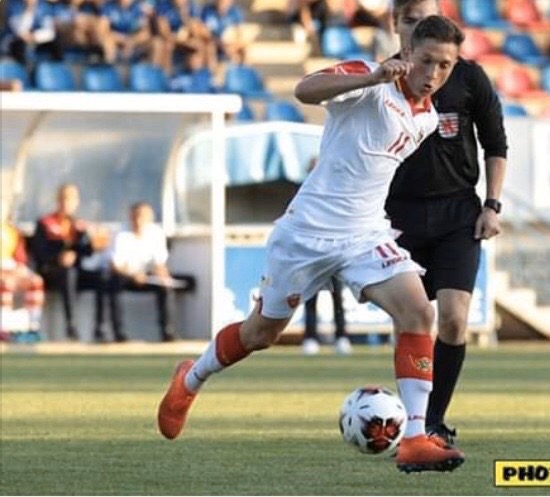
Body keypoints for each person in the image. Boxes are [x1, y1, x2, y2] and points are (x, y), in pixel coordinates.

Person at [158, 14, 466, 473]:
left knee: (419, 312)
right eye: (426, 62)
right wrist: (372, 75)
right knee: (260, 334)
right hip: (306, 235)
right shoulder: (368, 80)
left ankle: (416, 438)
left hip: (364, 234)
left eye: (445, 66)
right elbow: (304, 90)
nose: (434, 74)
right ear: (407, 54)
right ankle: (192, 376)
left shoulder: (427, 118)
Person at [384, 0, 507, 446]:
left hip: (458, 212)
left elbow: (496, 142)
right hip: (398, 216)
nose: (421, 26)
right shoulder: (380, 80)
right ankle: (411, 421)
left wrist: (491, 205)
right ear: (396, 25)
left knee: (454, 320)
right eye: (411, 19)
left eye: (429, 18)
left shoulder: (469, 77)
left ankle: (432, 421)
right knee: (413, 321)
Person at [31, 183, 100, 340]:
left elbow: (87, 252)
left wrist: (81, 248)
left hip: (76, 271)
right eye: (64, 198)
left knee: (103, 278)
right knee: (68, 274)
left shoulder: (79, 225)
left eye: (71, 198)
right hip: (52, 271)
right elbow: (39, 252)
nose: (66, 202)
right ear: (57, 200)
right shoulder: (45, 223)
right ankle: (71, 326)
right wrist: (58, 257)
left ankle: (100, 328)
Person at [104, 202, 176, 342]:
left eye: (142, 216)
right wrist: (133, 275)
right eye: (135, 216)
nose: (138, 220)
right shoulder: (120, 234)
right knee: (113, 284)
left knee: (165, 287)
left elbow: (159, 263)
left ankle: (167, 332)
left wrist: (162, 275)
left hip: (147, 276)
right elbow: (115, 265)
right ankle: (119, 334)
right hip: (126, 276)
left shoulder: (156, 233)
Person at [1, 201, 44, 342]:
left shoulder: (13, 232)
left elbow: (20, 259)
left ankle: (32, 327)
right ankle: (3, 329)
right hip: (3, 274)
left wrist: (19, 269)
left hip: (11, 269)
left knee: (35, 281)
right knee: (5, 283)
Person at [301, 278, 352, 355]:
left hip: (333, 267)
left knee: (338, 298)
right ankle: (310, 338)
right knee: (310, 300)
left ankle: (341, 337)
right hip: (313, 267)